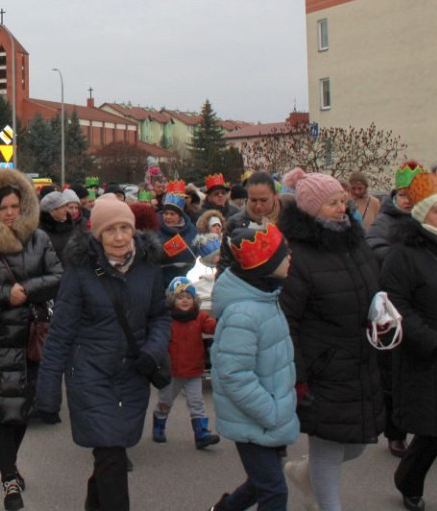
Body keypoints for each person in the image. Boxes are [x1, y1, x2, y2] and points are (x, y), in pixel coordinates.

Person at [34, 194, 170, 511]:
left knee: (111, 454)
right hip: (90, 376)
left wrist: (153, 350)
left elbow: (160, 316)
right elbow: (61, 334)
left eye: (125, 228)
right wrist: (48, 391)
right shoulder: (81, 273)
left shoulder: (148, 267)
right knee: (111, 455)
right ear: (98, 234)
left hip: (133, 374)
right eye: (111, 230)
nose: (120, 237)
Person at [278, 168, 383, 511]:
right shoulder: (299, 254)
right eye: (332, 203)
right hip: (322, 366)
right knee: (327, 446)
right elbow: (288, 319)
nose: (342, 208)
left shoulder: (355, 240)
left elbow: (373, 288)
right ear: (311, 209)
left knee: (355, 444)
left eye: (343, 201)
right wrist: (298, 374)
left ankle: (303, 474)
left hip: (360, 359)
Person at [0, 167, 63, 511]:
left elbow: (56, 275)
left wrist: (27, 291)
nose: (9, 214)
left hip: (31, 339)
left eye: (14, 207)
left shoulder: (39, 238)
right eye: (3, 208)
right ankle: (8, 479)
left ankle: (11, 465)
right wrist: (6, 294)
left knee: (22, 411)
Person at [382, 172, 437, 511]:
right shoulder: (403, 256)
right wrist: (433, 342)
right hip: (431, 363)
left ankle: (407, 479)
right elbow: (396, 307)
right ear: (421, 216)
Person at [208, 224, 299, 511]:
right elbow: (234, 374)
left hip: (268, 415)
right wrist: (269, 411)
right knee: (274, 491)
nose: (290, 259)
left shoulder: (266, 297)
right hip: (255, 417)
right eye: (284, 255)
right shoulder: (243, 313)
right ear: (266, 265)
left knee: (261, 484)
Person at [365, 160, 426, 459]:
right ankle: (395, 432)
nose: (408, 199)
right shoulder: (386, 220)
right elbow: (374, 246)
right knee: (393, 374)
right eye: (404, 194)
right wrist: (408, 260)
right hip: (394, 306)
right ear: (396, 195)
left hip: (428, 306)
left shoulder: (430, 219)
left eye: (414, 194)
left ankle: (426, 428)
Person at [151, 276, 219, 449]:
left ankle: (201, 434)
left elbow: (212, 328)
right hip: (172, 372)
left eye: (188, 298)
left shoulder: (199, 317)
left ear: (194, 300)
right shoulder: (166, 320)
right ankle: (159, 423)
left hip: (194, 371)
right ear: (173, 299)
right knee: (165, 402)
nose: (185, 301)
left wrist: (222, 321)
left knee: (197, 403)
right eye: (180, 297)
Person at [152, 181, 198, 290]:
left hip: (188, 278)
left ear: (180, 216)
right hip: (163, 279)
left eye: (172, 214)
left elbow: (197, 249)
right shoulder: (155, 229)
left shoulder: (191, 229)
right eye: (166, 213)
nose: (168, 217)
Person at [38, 190, 76, 260]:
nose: (66, 210)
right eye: (62, 207)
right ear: (52, 211)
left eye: (66, 206)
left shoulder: (71, 225)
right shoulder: (40, 233)